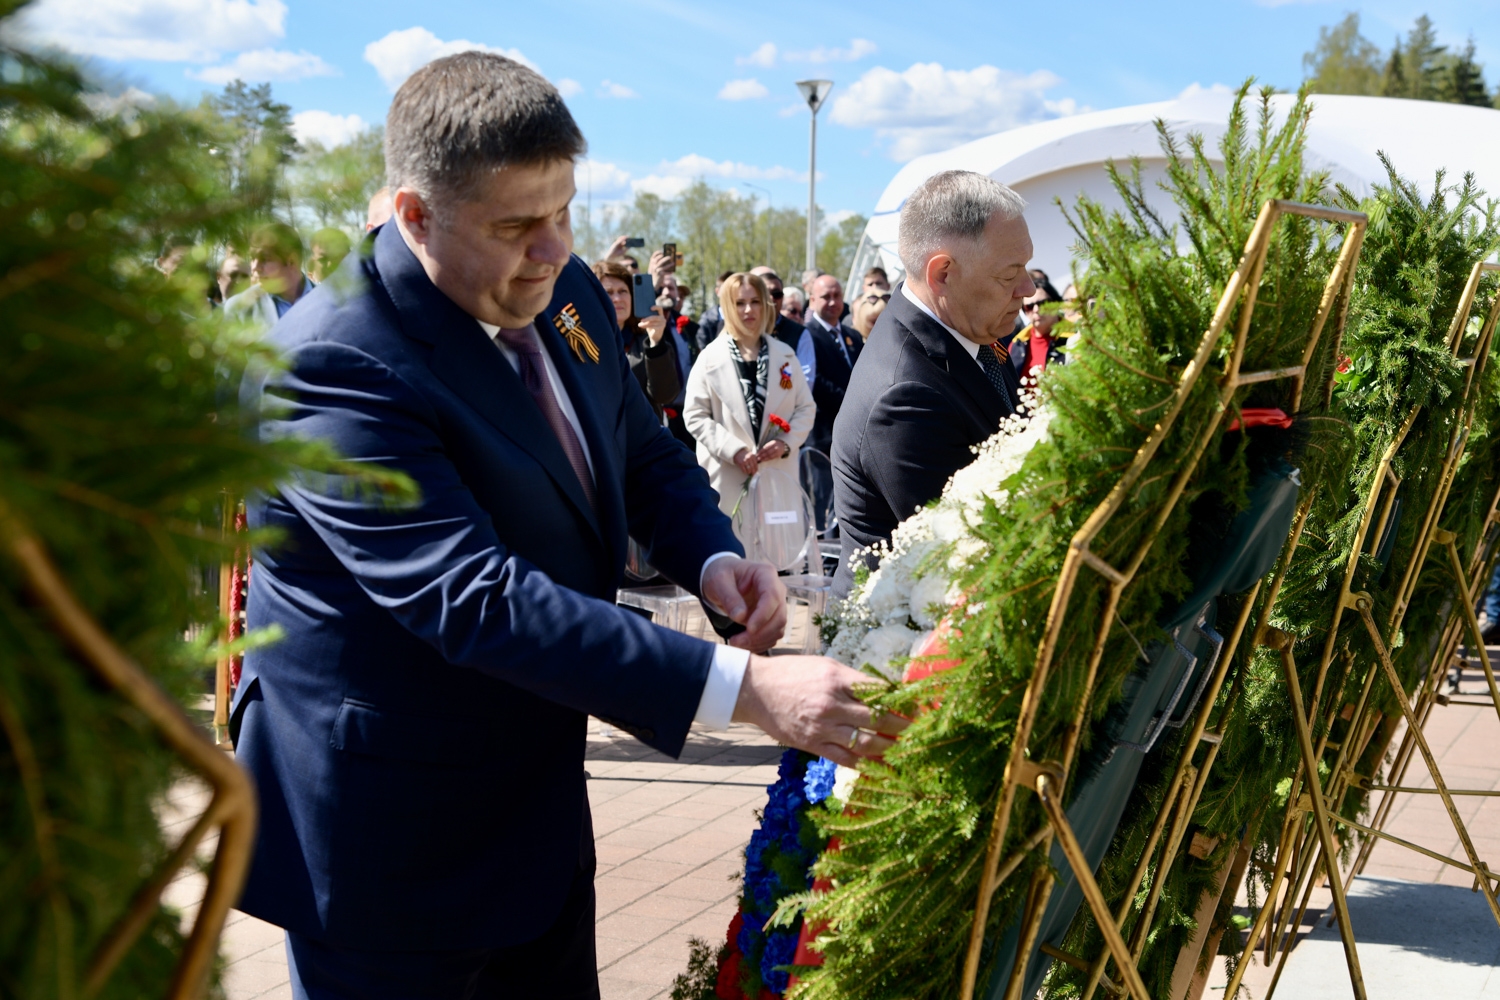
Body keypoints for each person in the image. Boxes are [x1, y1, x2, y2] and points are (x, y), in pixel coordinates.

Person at [233, 53, 900, 1000]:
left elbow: (634, 446)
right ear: (415, 214)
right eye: (515, 226)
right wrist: (746, 689)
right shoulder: (337, 363)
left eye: (565, 212)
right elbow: (473, 597)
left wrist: (709, 555)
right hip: (392, 846)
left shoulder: (565, 292)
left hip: (534, 816)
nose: (552, 250)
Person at [831, 169, 1031, 597]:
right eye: (1009, 274)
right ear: (942, 273)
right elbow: (974, 550)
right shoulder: (905, 395)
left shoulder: (972, 335)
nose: (1028, 288)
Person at [684, 272, 815, 523]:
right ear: (727, 307)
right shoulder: (709, 358)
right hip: (728, 477)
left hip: (777, 476)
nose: (748, 310)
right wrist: (733, 450)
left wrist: (786, 443)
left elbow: (805, 408)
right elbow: (695, 415)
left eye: (755, 301)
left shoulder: (785, 355)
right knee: (732, 543)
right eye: (739, 303)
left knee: (778, 546)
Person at [803, 274, 865, 531]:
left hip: (853, 434)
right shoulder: (806, 335)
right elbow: (814, 380)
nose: (832, 302)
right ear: (812, 300)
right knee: (823, 505)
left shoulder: (853, 336)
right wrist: (852, 402)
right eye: (825, 296)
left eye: (837, 296)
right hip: (823, 434)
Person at [592, 259, 680, 423]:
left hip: (642, 435)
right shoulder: (580, 342)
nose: (617, 298)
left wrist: (656, 343)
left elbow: (665, 395)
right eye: (608, 292)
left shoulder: (647, 341)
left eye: (623, 291)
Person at [223, 222, 310, 333]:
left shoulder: (328, 299)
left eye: (264, 259)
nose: (254, 267)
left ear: (292, 261)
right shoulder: (238, 308)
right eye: (252, 258)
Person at [749, 266, 816, 388]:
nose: (771, 298)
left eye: (777, 294)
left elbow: (806, 380)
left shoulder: (799, 333)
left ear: (782, 298)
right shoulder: (745, 329)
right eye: (765, 293)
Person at [1017, 277, 1066, 378]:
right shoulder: (1016, 345)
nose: (1036, 310)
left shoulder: (1076, 337)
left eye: (1042, 303)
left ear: (1056, 303)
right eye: (1029, 306)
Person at [696, 269, 733, 351]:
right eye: (726, 290)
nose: (730, 294)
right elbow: (703, 350)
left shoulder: (746, 316)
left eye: (734, 290)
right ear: (717, 291)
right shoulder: (706, 321)